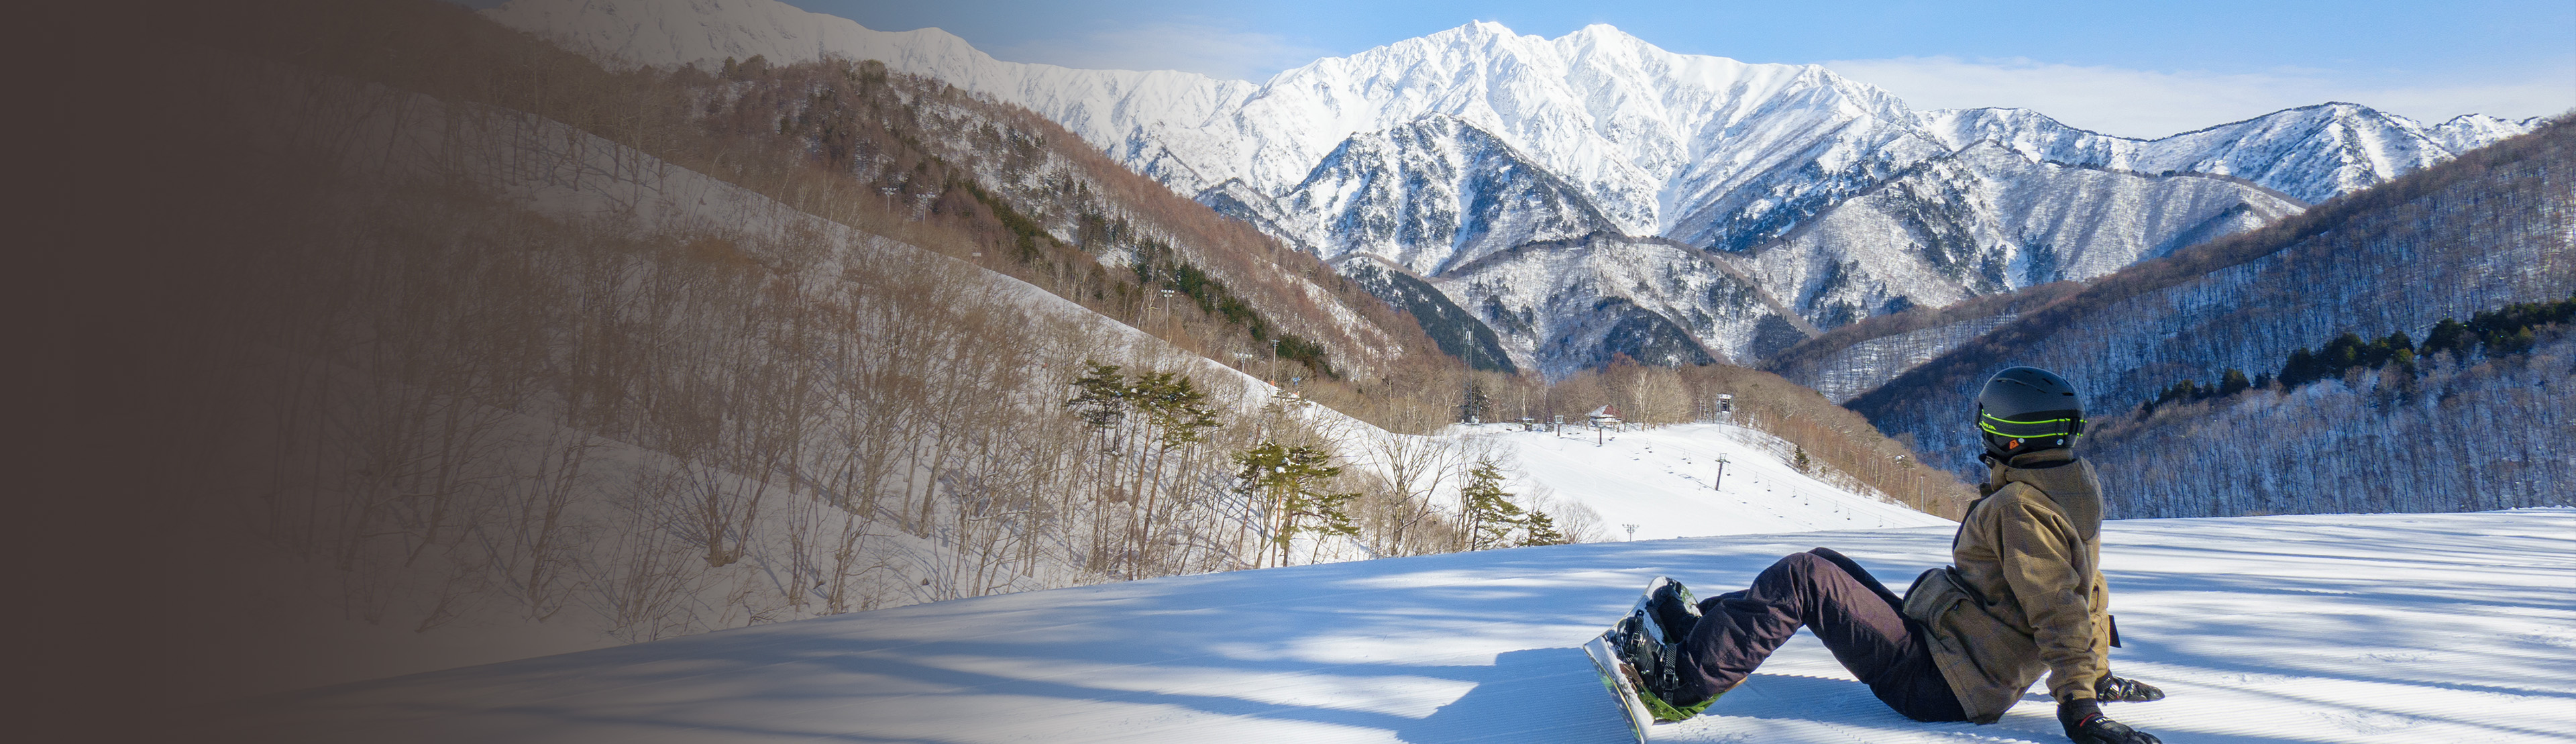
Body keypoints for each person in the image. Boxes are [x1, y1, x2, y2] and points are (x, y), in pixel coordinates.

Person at [1609, 366, 2165, 744]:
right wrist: (2097, 673)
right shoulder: (2067, 486)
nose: (1982, 426)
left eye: (1990, 418)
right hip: (1951, 649)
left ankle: (1681, 679)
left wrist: (2081, 704)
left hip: (1942, 681)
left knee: (1806, 577)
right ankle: (1702, 630)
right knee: (1821, 563)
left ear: (2014, 434)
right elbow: (2089, 585)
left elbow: (2059, 604)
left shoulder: (2021, 507)